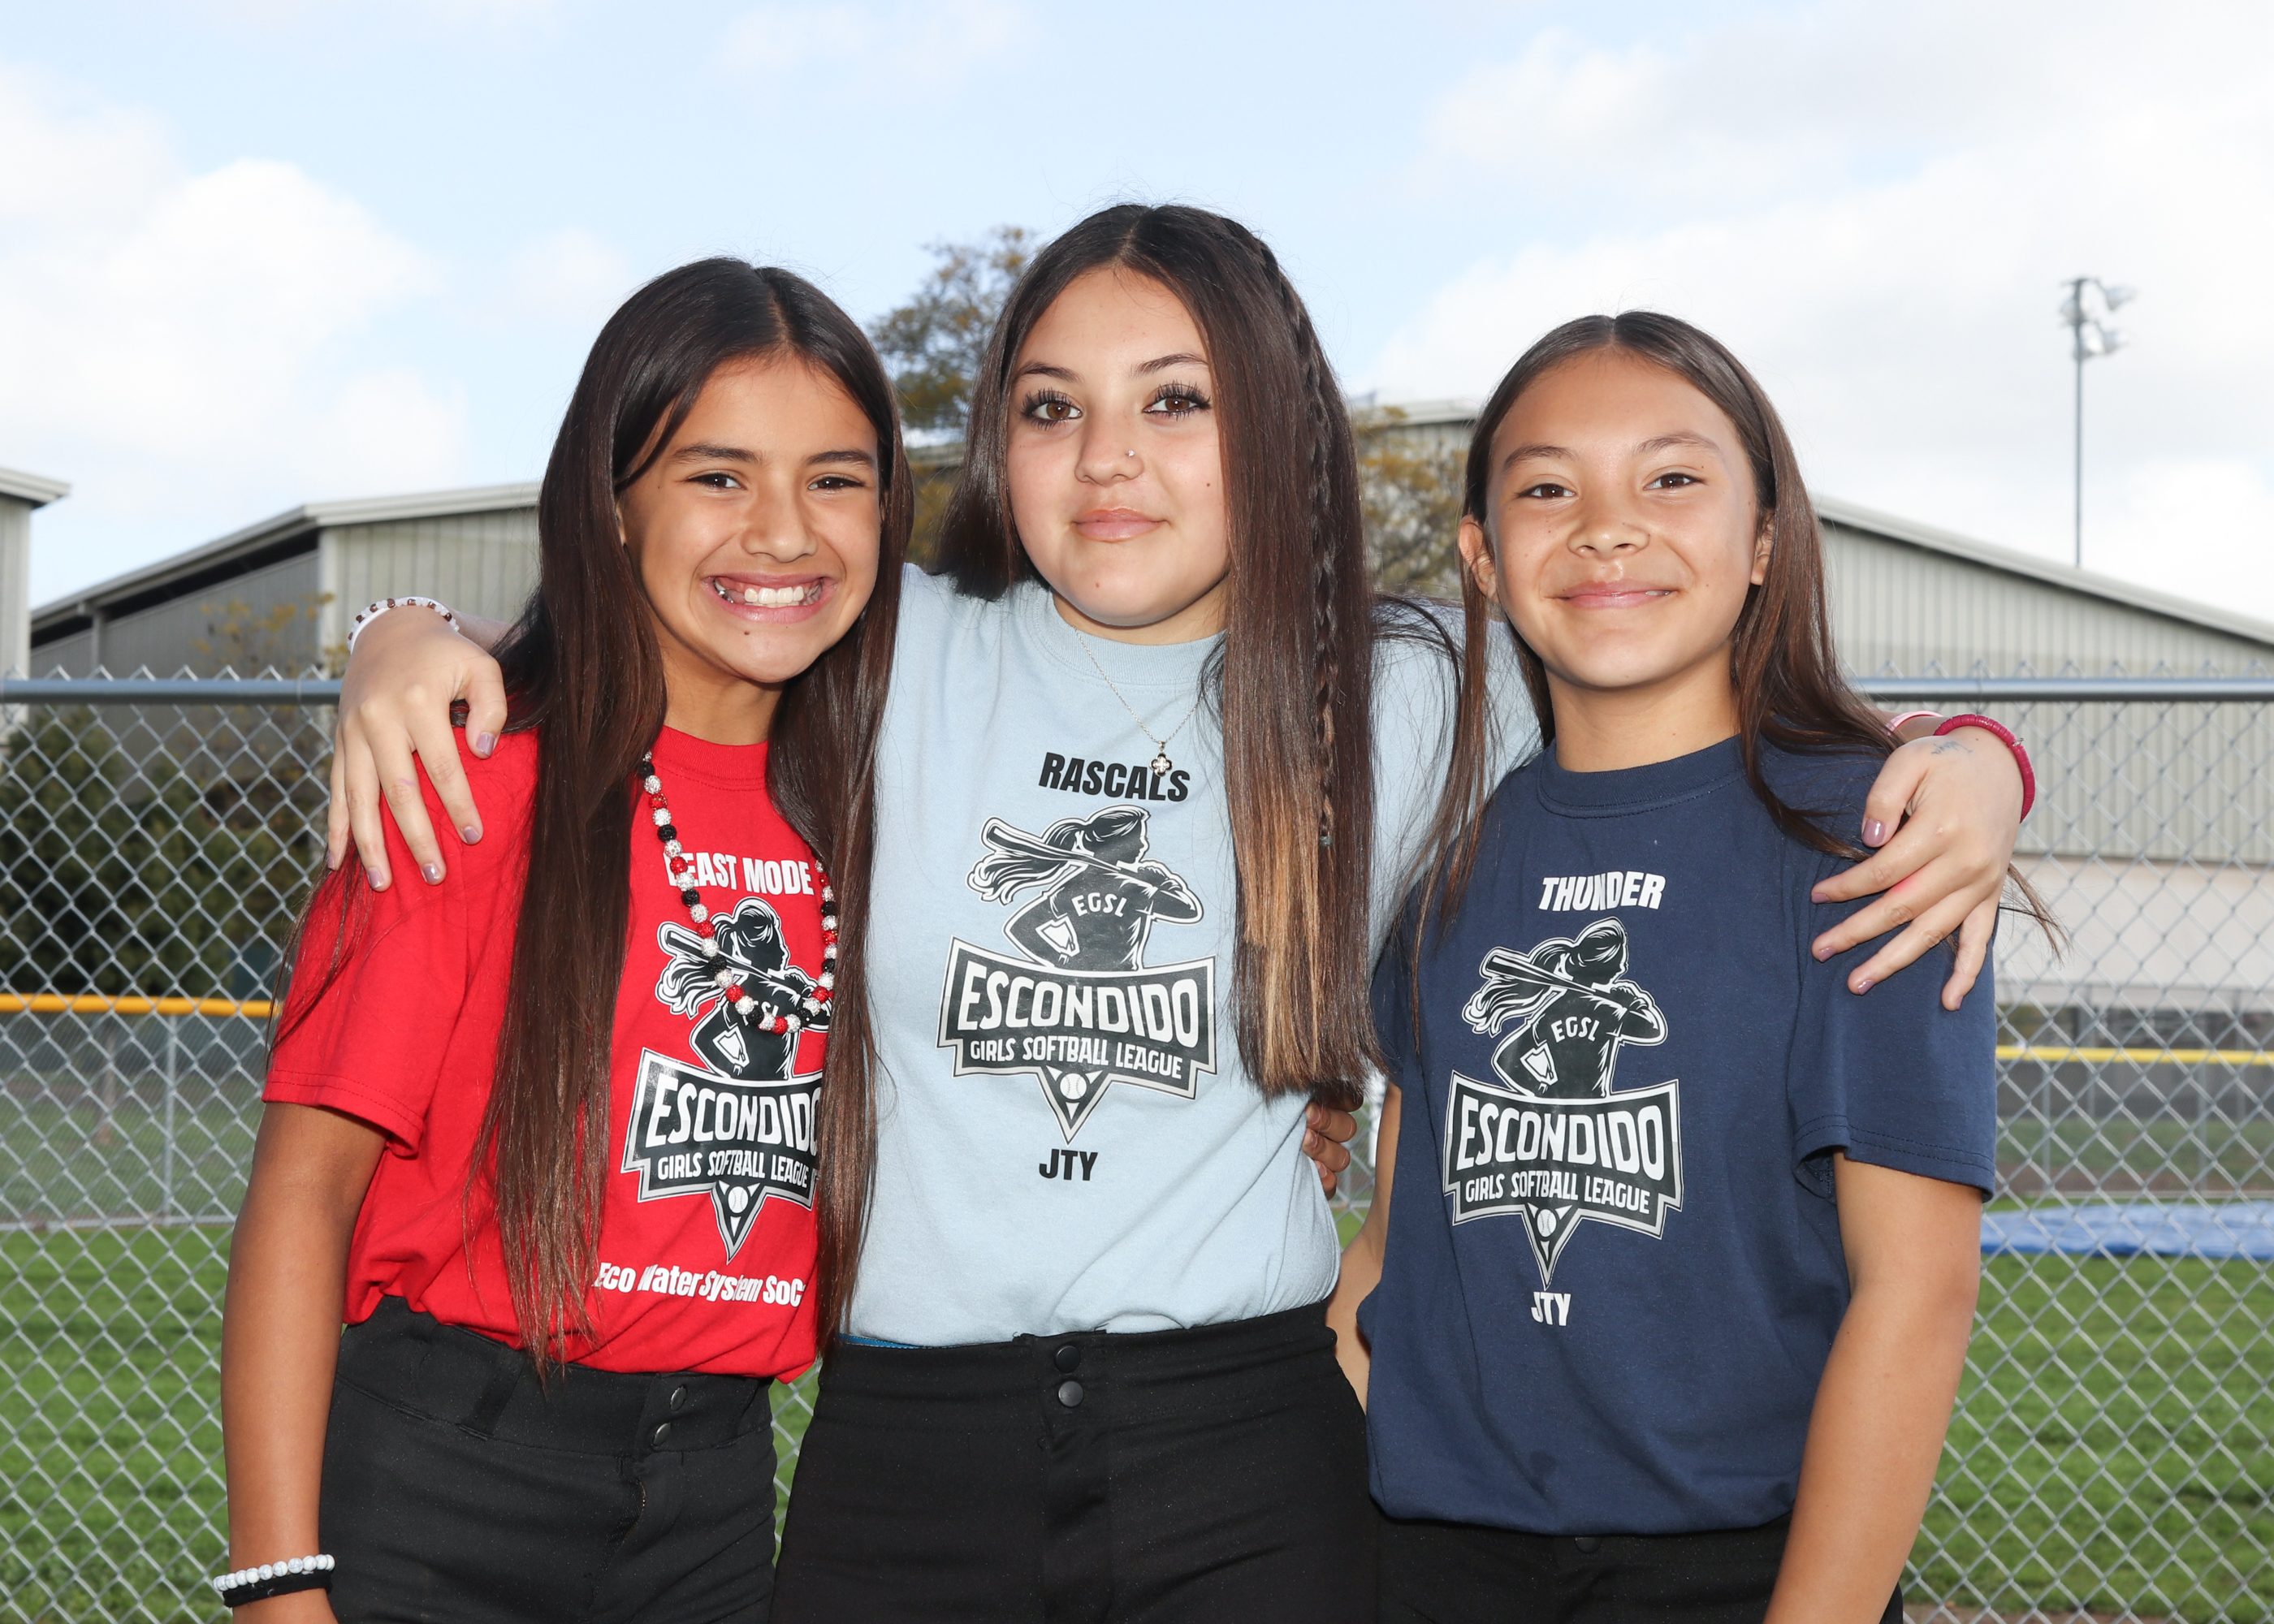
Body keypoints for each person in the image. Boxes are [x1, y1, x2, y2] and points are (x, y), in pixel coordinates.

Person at [323, 205, 2028, 1623]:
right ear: (996, 440)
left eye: (1176, 401)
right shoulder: (888, 644)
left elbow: (1677, 658)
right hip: (906, 1445)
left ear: (1273, 423)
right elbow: (661, 607)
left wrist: (1975, 762)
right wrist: (403, 631)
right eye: (1051, 406)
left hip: (1245, 1450)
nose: (1109, 460)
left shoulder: (1412, 688)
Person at [217, 257, 908, 1624]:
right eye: (719, 476)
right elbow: (303, 1196)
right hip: (445, 1484)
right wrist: (278, 1588)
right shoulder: (467, 784)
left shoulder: (882, 797)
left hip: (714, 1495)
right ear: (611, 503)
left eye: (835, 479)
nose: (783, 532)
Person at [1335, 311, 2042, 1624]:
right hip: (1429, 1565)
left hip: (1742, 1572)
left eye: (1670, 478)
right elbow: (1389, 1251)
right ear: (1482, 557)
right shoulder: (1451, 857)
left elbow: (1918, 1295)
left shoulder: (1874, 842)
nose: (1608, 528)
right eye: (1548, 489)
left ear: (1765, 538)